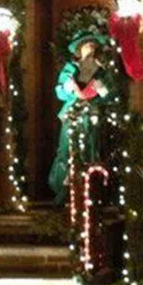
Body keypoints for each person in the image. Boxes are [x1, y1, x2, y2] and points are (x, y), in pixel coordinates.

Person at [48, 32, 112, 205]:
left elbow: (108, 95)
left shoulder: (100, 71)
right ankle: (64, 190)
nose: (90, 47)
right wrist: (68, 88)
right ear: (79, 49)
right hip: (72, 115)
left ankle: (90, 192)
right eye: (86, 44)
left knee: (90, 150)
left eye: (93, 45)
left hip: (91, 116)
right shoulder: (70, 69)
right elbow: (60, 92)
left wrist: (102, 90)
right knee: (66, 150)